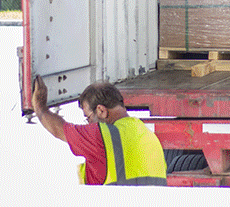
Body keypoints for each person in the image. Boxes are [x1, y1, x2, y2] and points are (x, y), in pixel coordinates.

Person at [32, 76, 167, 186]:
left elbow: (60, 129)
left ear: (101, 110)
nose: (89, 123)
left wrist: (40, 107)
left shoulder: (102, 135)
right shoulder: (146, 133)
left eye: (88, 117)